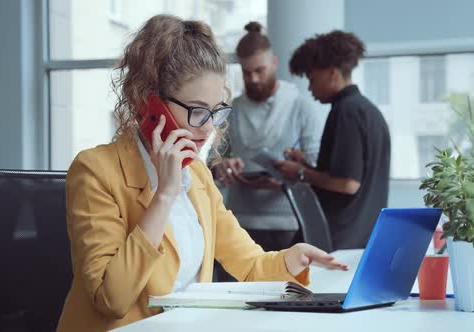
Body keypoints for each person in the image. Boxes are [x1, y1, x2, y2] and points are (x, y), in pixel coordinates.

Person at [56, 15, 348, 332]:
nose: (208, 129)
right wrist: (164, 195)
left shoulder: (196, 175)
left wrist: (292, 259)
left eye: (216, 111)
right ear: (150, 102)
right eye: (197, 111)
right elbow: (111, 300)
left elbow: (249, 264)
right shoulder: (95, 171)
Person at [213, 22, 325, 251]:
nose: (253, 79)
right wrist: (222, 166)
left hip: (290, 222)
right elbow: (211, 162)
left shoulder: (300, 106)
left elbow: (318, 167)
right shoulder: (231, 110)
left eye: (259, 70)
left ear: (274, 64)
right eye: (246, 72)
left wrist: (293, 172)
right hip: (238, 224)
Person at [275, 30, 391, 250]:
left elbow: (348, 184)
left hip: (336, 240)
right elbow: (344, 177)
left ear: (332, 73)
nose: (309, 88)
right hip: (362, 238)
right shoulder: (369, 111)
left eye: (312, 78)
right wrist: (306, 166)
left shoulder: (345, 111)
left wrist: (299, 173)